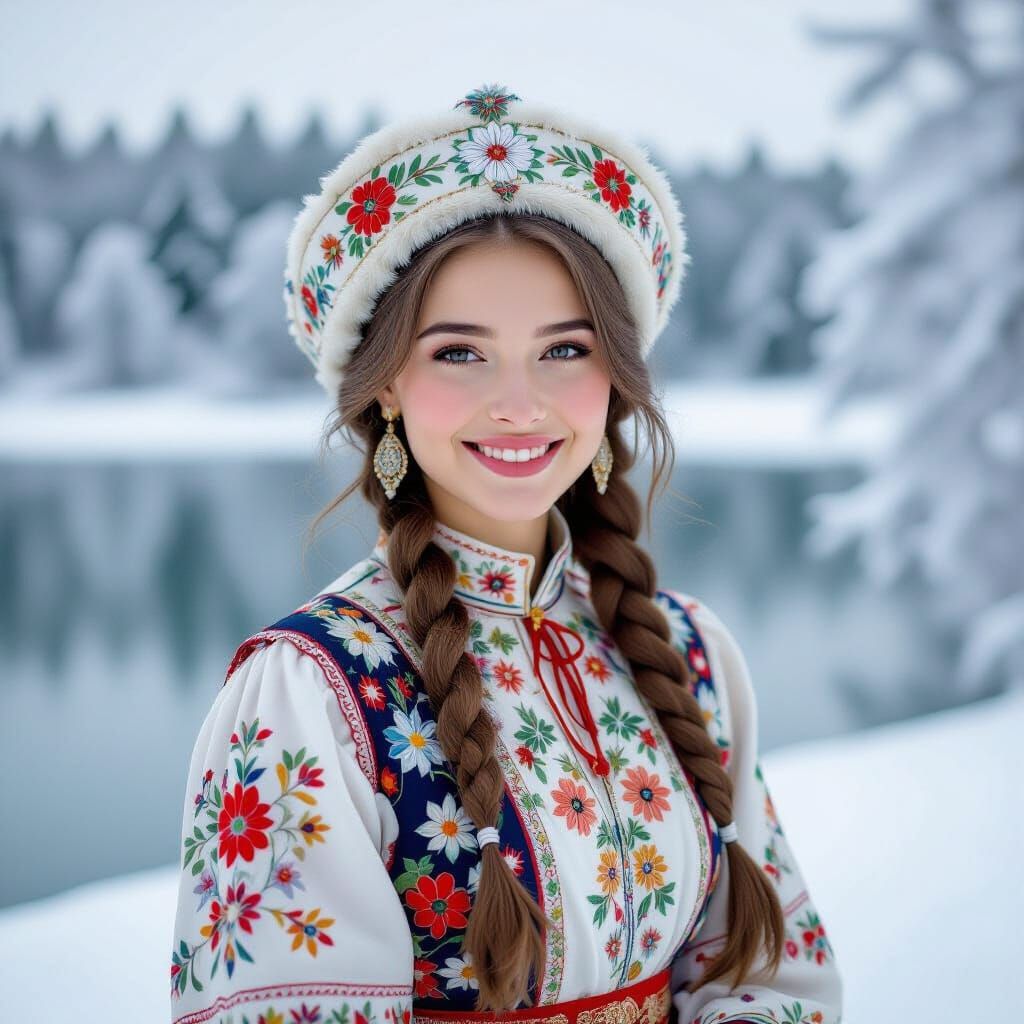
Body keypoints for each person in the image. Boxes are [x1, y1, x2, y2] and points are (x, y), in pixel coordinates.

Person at [169, 83, 843, 1024]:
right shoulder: (313, 691)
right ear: (387, 389)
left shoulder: (687, 656)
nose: (521, 403)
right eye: (458, 353)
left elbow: (768, 974)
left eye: (565, 349)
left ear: (615, 376)